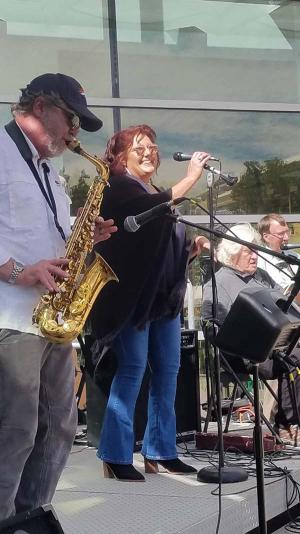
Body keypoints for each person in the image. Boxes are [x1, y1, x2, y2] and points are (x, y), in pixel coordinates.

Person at [0, 72, 117, 520]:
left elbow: (47, 234)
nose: (73, 132)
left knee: (62, 427)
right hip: (11, 318)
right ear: (41, 106)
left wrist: (88, 238)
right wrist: (17, 270)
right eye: (71, 119)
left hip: (51, 316)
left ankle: (32, 516)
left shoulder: (49, 168)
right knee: (15, 431)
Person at [90, 124, 211, 481]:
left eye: (153, 147)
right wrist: (191, 178)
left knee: (168, 372)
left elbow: (161, 250)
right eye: (139, 147)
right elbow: (150, 209)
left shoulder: (157, 190)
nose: (149, 152)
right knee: (132, 370)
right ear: (121, 156)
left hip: (164, 301)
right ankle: (115, 454)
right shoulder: (119, 187)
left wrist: (189, 252)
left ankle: (161, 450)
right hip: (133, 299)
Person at [201, 223, 300, 446]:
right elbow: (211, 326)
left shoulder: (262, 276)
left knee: (293, 353)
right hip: (240, 352)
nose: (255, 256)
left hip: (274, 344)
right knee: (292, 360)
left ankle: (292, 421)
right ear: (232, 253)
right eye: (248, 251)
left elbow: (283, 307)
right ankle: (286, 424)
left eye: (256, 250)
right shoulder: (217, 283)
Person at [257, 213, 297, 292]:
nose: (286, 237)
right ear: (266, 237)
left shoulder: (295, 256)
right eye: (281, 234)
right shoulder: (258, 261)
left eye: (287, 232)